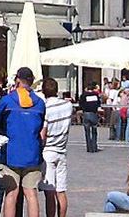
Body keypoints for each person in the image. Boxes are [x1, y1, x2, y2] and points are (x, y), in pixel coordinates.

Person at [0, 66, 46, 217]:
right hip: (33, 152)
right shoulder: (40, 103)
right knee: (31, 194)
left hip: (11, 153)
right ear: (32, 81)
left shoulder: (8, 100)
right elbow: (40, 125)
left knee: (11, 194)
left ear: (17, 80)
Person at [41, 77, 73, 217]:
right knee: (61, 191)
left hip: (48, 150)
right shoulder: (68, 106)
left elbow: (43, 133)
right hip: (62, 149)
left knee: (49, 192)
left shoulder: (45, 107)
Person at [79, 82, 102, 153]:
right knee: (94, 131)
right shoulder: (96, 95)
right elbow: (98, 104)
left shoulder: (83, 95)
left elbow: (81, 104)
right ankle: (94, 147)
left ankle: (89, 147)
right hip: (94, 113)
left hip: (86, 113)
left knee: (87, 132)